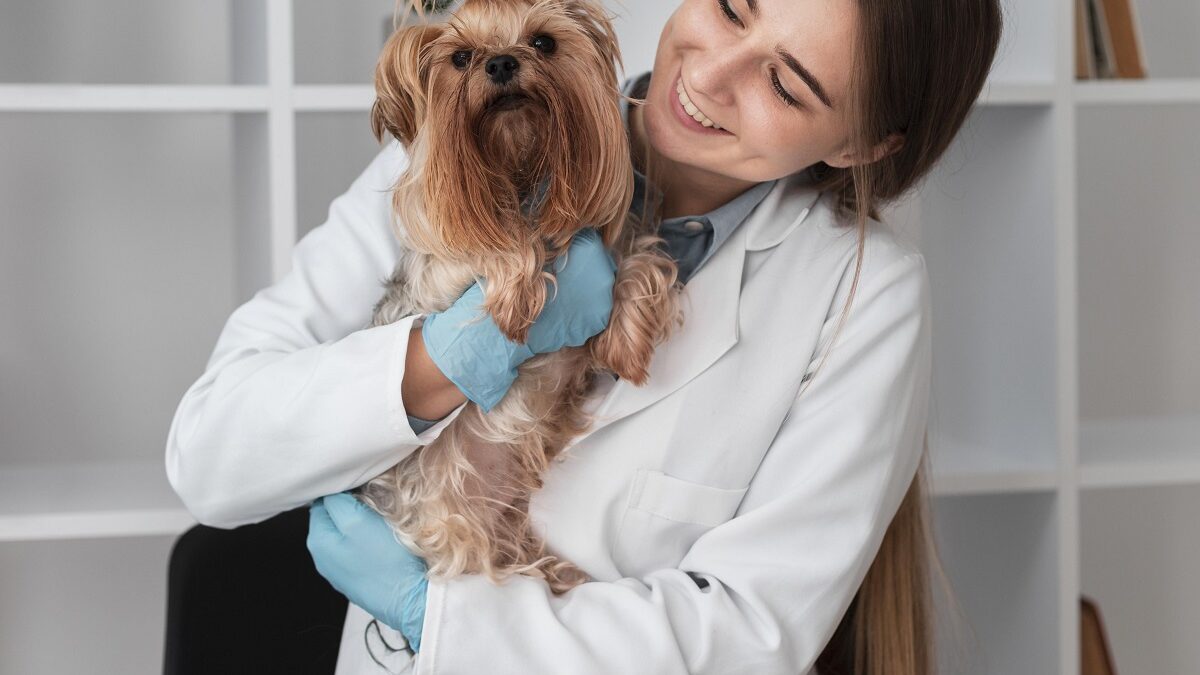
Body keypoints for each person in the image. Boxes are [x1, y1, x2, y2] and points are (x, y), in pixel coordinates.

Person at [166, 0, 1002, 672]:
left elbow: (751, 633)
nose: (711, 76)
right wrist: (460, 352)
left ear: (863, 142)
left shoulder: (863, 295)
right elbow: (210, 452)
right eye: (732, 9)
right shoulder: (457, 147)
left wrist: (448, 619)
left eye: (784, 86)